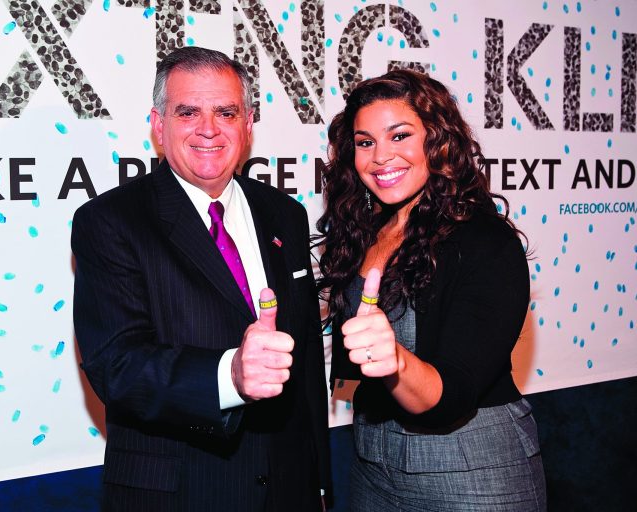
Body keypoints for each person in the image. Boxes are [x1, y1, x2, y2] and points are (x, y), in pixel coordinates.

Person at [72, 46, 329, 511]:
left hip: (289, 489)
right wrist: (229, 374)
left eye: (226, 112)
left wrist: (319, 484)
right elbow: (118, 365)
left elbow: (306, 360)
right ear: (157, 124)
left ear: (248, 124)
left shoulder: (285, 215)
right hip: (179, 493)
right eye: (187, 111)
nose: (208, 129)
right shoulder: (110, 221)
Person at [316, 69, 546, 511]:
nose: (381, 156)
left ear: (437, 142)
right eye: (365, 142)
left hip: (472, 472)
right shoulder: (367, 232)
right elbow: (350, 365)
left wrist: (395, 361)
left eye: (399, 136)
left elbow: (452, 395)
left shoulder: (486, 244)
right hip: (373, 468)